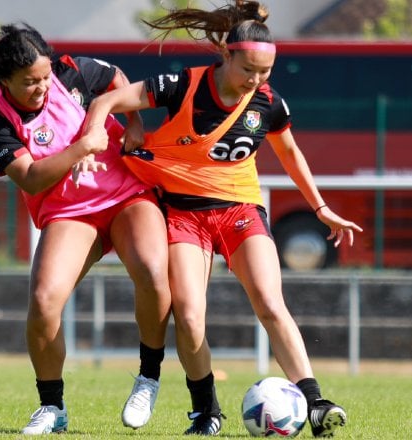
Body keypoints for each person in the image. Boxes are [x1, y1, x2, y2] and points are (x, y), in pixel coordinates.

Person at [82, 1, 363, 436]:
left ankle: (315, 402)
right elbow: (107, 100)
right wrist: (97, 133)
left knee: (270, 303)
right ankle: (206, 410)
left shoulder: (268, 103)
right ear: (226, 55)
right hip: (184, 216)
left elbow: (290, 154)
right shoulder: (181, 85)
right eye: (248, 69)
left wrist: (321, 208)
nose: (256, 80)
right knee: (190, 317)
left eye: (265, 72)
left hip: (239, 211)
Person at [0, 23, 171, 435]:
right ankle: (53, 407)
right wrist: (80, 148)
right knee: (44, 301)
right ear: (4, 81)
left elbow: (117, 78)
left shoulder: (71, 71)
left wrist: (133, 123)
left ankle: (148, 379)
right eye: (29, 82)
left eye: (45, 77)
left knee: (154, 273)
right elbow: (30, 178)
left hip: (127, 196)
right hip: (70, 213)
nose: (42, 87)